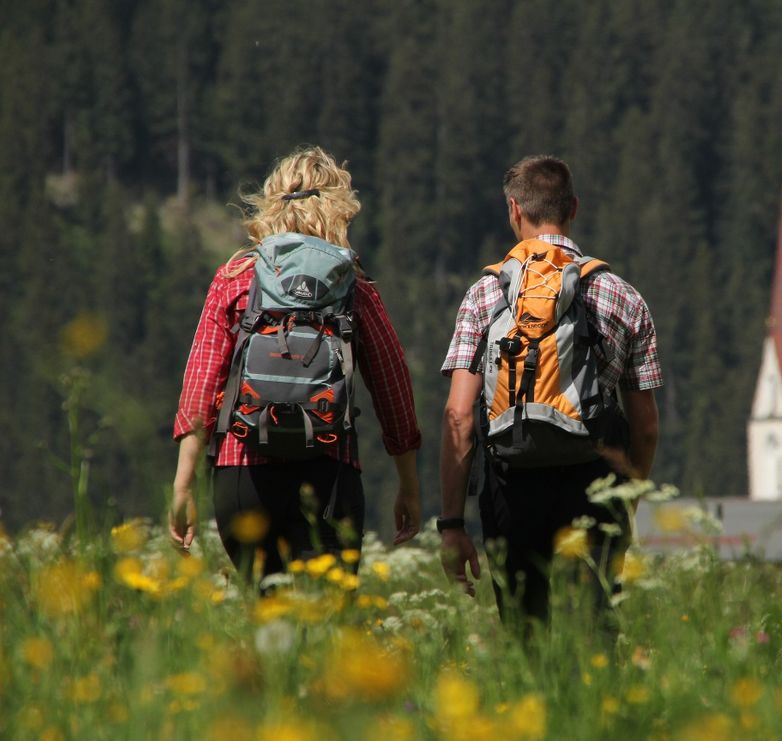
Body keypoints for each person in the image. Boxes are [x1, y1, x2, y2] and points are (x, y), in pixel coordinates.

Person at [168, 146, 422, 583]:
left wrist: (182, 485)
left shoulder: (235, 278)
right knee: (324, 631)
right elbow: (393, 389)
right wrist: (409, 485)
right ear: (339, 209)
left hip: (242, 473)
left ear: (270, 203)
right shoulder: (353, 285)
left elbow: (200, 387)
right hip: (329, 473)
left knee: (268, 622)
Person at [438, 155, 661, 632]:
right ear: (573, 208)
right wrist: (627, 498)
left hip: (510, 485)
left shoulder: (484, 295)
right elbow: (645, 424)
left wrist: (451, 524)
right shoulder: (620, 294)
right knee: (595, 637)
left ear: (514, 210)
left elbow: (458, 416)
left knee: (526, 638)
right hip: (596, 483)